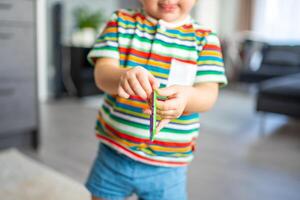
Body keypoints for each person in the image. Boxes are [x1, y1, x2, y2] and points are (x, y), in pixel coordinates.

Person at [85, 0, 227, 199]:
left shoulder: (205, 39)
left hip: (169, 166)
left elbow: (208, 95)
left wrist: (187, 98)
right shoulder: (120, 22)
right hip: (113, 151)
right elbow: (102, 75)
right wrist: (123, 76)